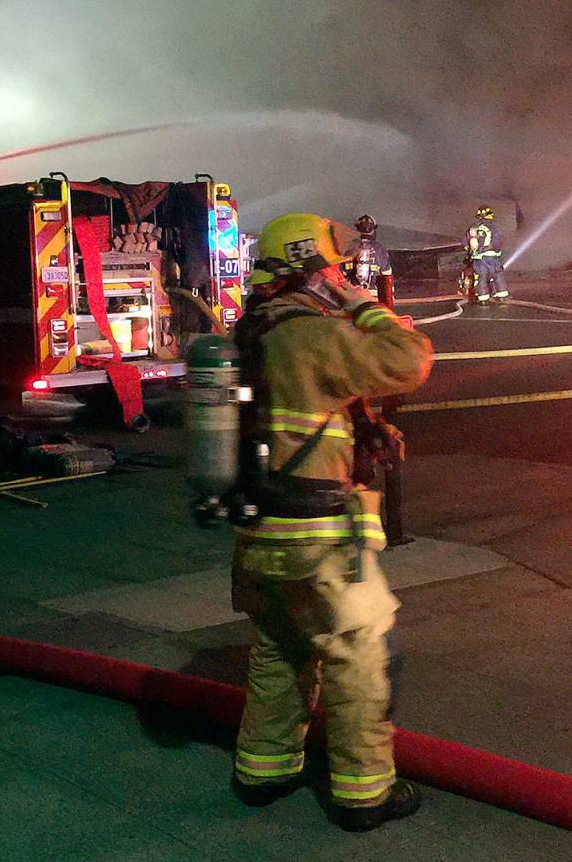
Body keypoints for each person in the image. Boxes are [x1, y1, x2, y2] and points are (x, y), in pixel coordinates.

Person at [230, 212, 433, 832]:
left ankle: (264, 771)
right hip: (316, 539)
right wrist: (358, 301)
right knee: (356, 658)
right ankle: (363, 794)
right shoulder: (308, 335)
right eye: (331, 267)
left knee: (279, 650)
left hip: (258, 535)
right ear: (309, 268)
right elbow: (408, 359)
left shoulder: (252, 331)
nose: (340, 276)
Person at [344, 214, 394, 306]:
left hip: (353, 297)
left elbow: (340, 274)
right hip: (373, 297)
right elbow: (387, 278)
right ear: (373, 230)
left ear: (357, 230)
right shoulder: (380, 249)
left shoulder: (348, 248)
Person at [465, 204, 509, 304]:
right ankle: (502, 295)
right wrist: (497, 252)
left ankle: (483, 299)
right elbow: (497, 242)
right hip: (492, 257)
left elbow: (465, 242)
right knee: (497, 275)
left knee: (481, 277)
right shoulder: (492, 228)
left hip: (479, 259)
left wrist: (472, 252)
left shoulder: (473, 228)